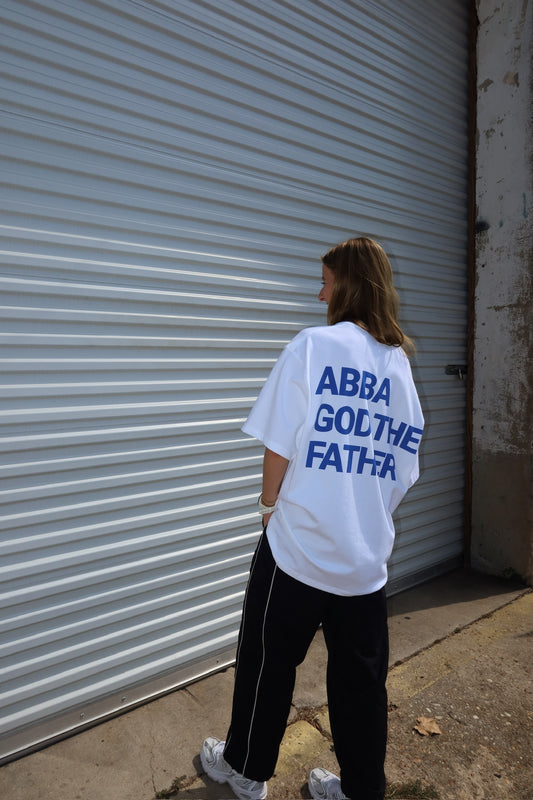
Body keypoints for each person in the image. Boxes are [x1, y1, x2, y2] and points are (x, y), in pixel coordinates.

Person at [200, 236, 424, 800]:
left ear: (347, 283)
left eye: (325, 279)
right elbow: (403, 467)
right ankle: (360, 789)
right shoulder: (398, 364)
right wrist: (365, 520)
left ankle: (246, 773)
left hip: (297, 551)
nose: (319, 290)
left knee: (266, 664)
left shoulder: (312, 346)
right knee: (361, 685)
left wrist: (269, 505)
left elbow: (278, 445)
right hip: (364, 563)